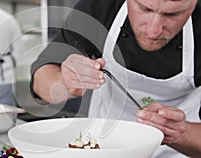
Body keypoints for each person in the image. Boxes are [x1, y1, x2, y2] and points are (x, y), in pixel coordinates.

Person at [31, 0, 201, 157]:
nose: (153, 31)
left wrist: (179, 132)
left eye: (172, 14)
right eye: (144, 8)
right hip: (104, 149)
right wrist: (66, 83)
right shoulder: (102, 5)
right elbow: (41, 80)